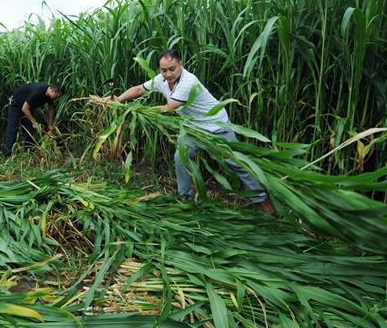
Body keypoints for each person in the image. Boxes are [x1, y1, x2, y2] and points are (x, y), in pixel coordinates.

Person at [110, 49, 276, 216]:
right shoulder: (162, 79)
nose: (168, 74)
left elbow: (168, 108)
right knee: (181, 157)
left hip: (216, 127)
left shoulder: (188, 82)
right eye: (164, 70)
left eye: (172, 69)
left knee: (236, 163)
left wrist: (132, 109)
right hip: (193, 128)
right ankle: (185, 199)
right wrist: (117, 100)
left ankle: (262, 199)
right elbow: (139, 89)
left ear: (181, 64)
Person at [4, 83, 64, 157]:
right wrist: (34, 122)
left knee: (29, 130)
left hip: (28, 107)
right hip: (16, 104)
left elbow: (51, 108)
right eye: (58, 96)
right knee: (13, 129)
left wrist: (50, 124)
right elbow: (24, 108)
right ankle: (7, 156)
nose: (57, 98)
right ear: (53, 90)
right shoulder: (38, 91)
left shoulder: (49, 96)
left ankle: (29, 153)